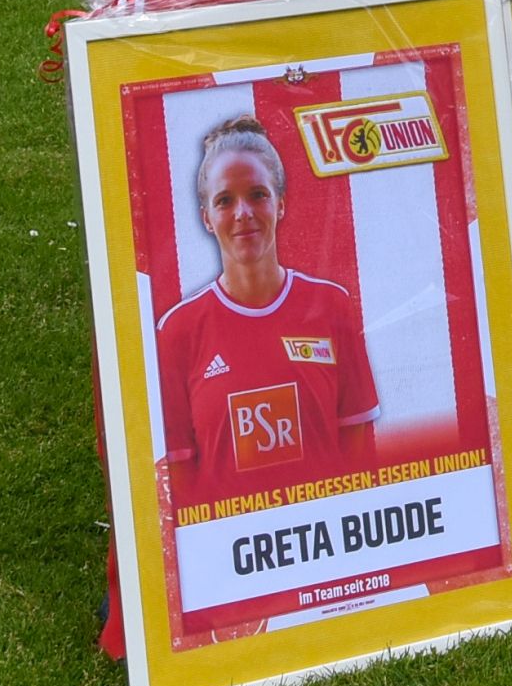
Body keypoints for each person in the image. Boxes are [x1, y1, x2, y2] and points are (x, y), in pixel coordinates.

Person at [154, 115, 380, 515]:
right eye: (225, 200)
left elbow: (359, 457)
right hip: (236, 560)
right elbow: (180, 487)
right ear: (206, 216)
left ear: (281, 203)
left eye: (257, 194)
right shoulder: (178, 331)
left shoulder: (331, 307)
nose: (243, 212)